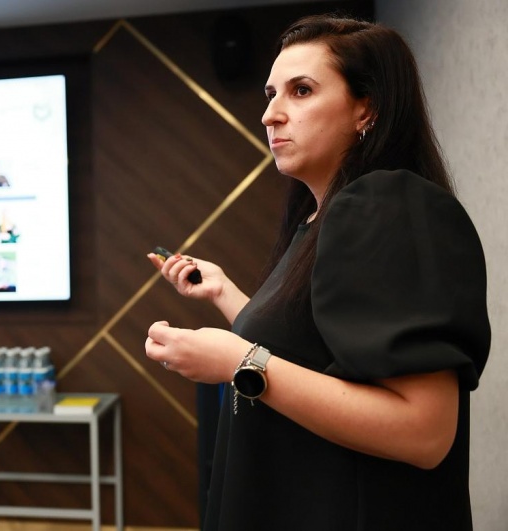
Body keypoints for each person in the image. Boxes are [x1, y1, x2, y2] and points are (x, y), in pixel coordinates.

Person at [145, 14, 490, 531]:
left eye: (301, 91)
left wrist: (238, 360)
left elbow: (424, 433)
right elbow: (315, 354)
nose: (270, 115)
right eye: (270, 94)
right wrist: (226, 295)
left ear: (366, 108)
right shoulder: (321, 218)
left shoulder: (388, 206)